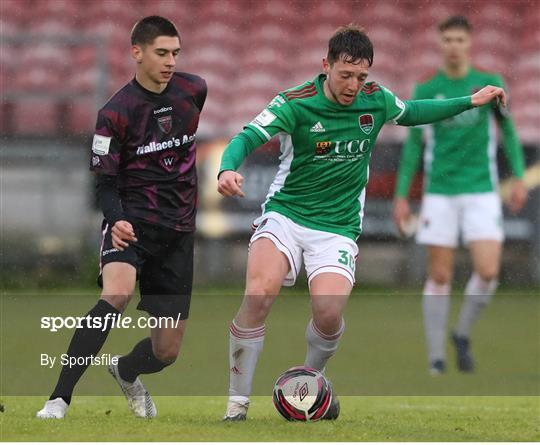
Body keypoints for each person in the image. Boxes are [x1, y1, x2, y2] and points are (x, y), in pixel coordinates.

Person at [217, 24, 508, 421]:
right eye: (346, 75)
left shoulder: (375, 100)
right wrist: (226, 169)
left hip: (337, 227)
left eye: (361, 76)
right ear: (326, 66)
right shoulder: (294, 102)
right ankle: (237, 403)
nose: (354, 84)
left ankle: (310, 385)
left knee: (328, 313)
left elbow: (416, 111)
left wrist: (470, 101)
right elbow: (246, 137)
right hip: (286, 214)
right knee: (259, 293)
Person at [37, 16, 207, 418]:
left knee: (166, 352)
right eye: (161, 53)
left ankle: (126, 370)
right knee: (116, 293)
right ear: (137, 53)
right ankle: (59, 398)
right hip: (131, 225)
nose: (170, 61)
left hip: (179, 233)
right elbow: (103, 184)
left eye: (175, 53)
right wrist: (116, 220)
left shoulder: (194, 90)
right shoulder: (114, 113)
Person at [393, 16, 526, 375]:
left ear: (469, 43)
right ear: (440, 43)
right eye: (447, 39)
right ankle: (436, 358)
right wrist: (402, 194)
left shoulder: (490, 83)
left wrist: (518, 177)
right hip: (440, 192)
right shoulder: (426, 88)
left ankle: (462, 333)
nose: (453, 46)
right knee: (439, 276)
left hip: (481, 189)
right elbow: (413, 146)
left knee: (488, 270)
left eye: (459, 39)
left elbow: (509, 133)